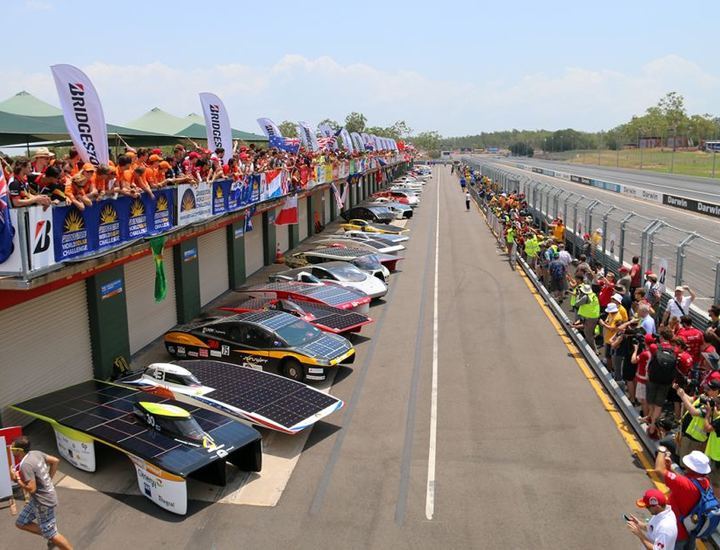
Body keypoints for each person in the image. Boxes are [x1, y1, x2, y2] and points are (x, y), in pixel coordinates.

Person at [11, 436, 73, 550]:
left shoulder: (26, 465)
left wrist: (17, 480)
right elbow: (55, 461)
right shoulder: (35, 453)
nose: (11, 450)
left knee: (52, 534)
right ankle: (49, 535)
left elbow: (32, 489)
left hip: (43, 502)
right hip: (38, 499)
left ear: (19, 451)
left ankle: (52, 537)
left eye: (13, 449)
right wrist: (48, 478)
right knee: (21, 523)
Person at [654, 446, 712, 549]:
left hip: (674, 532)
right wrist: (670, 468)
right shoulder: (705, 482)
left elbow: (658, 470)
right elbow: (684, 481)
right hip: (689, 531)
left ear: (690, 466)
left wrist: (661, 451)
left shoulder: (684, 485)